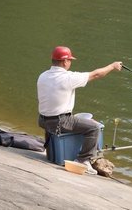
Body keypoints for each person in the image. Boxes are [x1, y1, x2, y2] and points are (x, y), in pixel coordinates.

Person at [37, 46, 122, 175]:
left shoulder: (43, 76)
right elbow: (97, 74)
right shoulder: (67, 78)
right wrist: (112, 66)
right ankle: (83, 160)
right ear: (65, 61)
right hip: (59, 121)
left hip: (43, 120)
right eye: (70, 60)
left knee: (82, 120)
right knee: (94, 127)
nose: (70, 62)